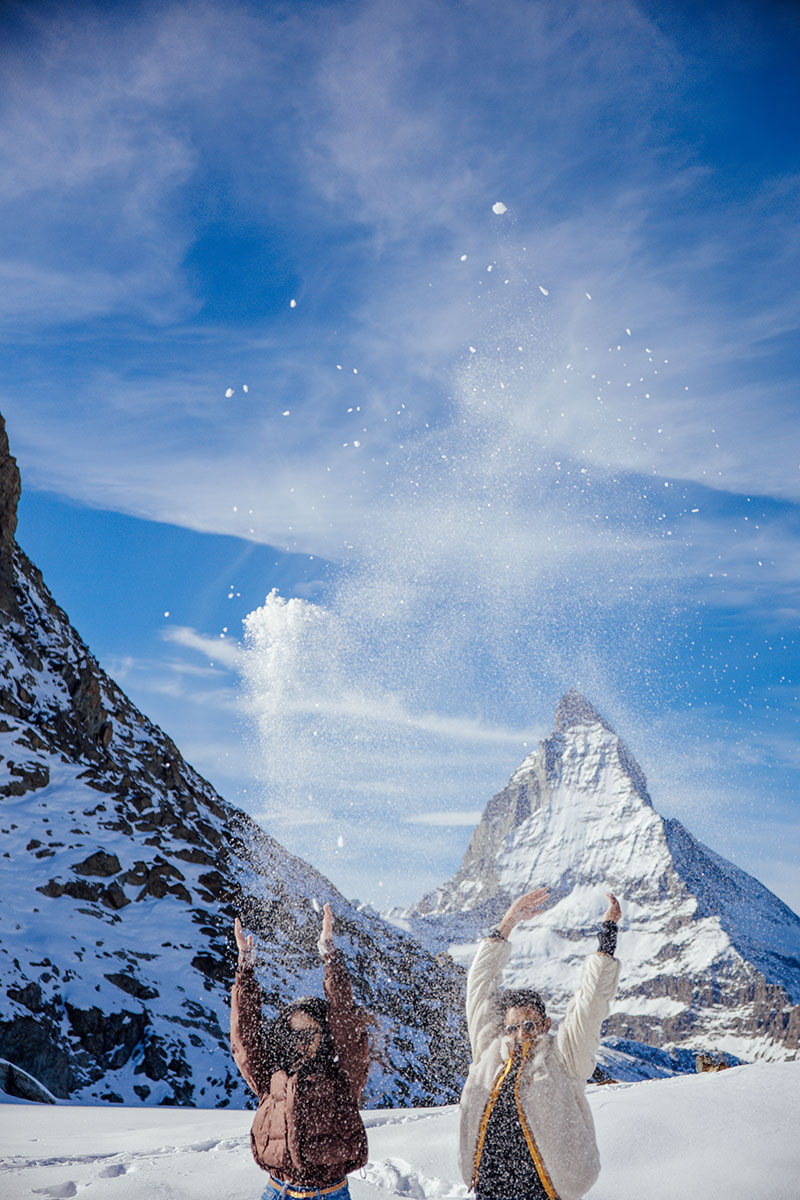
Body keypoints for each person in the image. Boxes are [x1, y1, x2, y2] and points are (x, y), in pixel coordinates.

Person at [459, 887, 621, 1200]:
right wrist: (508, 922)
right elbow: (479, 986)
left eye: (530, 1026)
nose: (521, 1034)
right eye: (514, 1027)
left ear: (545, 1026)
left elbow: (589, 1006)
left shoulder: (562, 1060)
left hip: (543, 1194)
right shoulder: (489, 1054)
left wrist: (608, 936)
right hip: (488, 1193)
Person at [231, 903, 370, 1200]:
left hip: (328, 1194)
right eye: (294, 1034)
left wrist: (329, 953)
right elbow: (244, 1042)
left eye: (310, 1034)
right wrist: (245, 968)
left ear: (325, 1035)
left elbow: (345, 1021)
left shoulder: (341, 1077)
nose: (302, 1042)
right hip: (277, 1191)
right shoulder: (272, 1078)